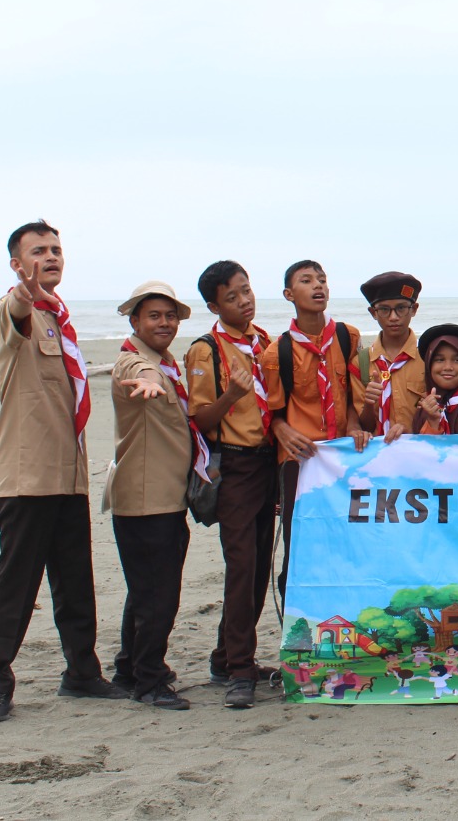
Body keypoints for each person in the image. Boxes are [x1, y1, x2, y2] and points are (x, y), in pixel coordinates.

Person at [0, 221, 125, 722]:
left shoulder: (59, 318)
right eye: (38, 251)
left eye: (57, 249)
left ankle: (81, 674)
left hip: (68, 475)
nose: (51, 256)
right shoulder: (15, 312)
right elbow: (15, 307)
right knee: (16, 585)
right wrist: (26, 292)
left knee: (75, 581)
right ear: (17, 264)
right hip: (26, 477)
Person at [109, 281, 209, 710]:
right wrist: (149, 380)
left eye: (170, 316)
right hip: (147, 499)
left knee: (144, 591)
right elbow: (137, 373)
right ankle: (150, 681)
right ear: (135, 320)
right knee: (159, 595)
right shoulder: (136, 364)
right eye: (154, 315)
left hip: (164, 497)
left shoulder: (166, 364)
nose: (165, 323)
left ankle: (130, 667)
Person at [185, 260, 278, 709]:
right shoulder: (206, 351)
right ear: (214, 305)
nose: (245, 301)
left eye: (246, 290)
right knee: (241, 566)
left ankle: (226, 656)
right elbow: (201, 419)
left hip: (268, 464)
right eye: (232, 297)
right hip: (235, 467)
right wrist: (233, 395)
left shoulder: (267, 344)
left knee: (259, 564)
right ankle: (241, 669)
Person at [260, 260, 371, 593]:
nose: (318, 286)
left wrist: (354, 425)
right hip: (302, 462)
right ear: (289, 294)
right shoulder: (275, 353)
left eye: (322, 280)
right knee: (301, 543)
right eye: (306, 281)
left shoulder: (349, 337)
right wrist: (281, 430)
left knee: (347, 538)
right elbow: (272, 412)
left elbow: (356, 393)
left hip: (343, 458)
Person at [355, 272, 427, 443]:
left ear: (414, 309)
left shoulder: (428, 357)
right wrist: (369, 403)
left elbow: (439, 415)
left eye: (401, 308)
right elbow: (363, 425)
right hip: (378, 456)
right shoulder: (361, 362)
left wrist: (409, 428)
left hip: (419, 452)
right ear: (373, 312)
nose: (394, 317)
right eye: (385, 310)